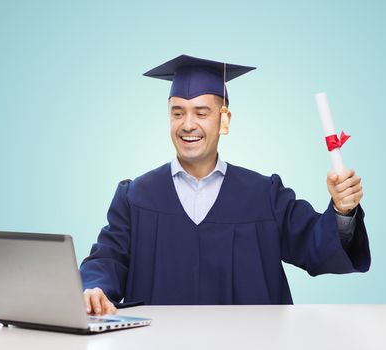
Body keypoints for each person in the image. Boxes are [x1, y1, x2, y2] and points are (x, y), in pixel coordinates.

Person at [79, 54, 371, 315]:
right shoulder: (136, 196)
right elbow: (108, 258)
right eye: (178, 112)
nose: (188, 124)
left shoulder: (263, 195)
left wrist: (343, 212)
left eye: (202, 113)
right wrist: (94, 288)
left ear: (224, 120)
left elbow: (314, 245)